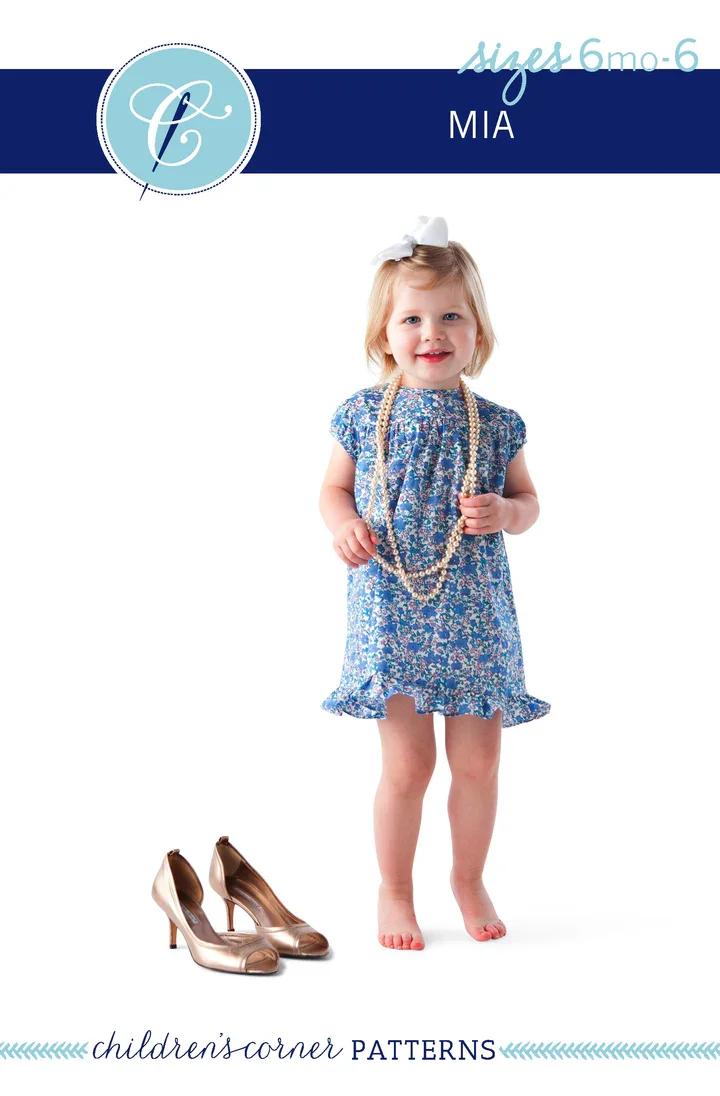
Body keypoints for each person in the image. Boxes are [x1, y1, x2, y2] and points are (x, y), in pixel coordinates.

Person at [318, 216, 550, 951]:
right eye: (413, 319)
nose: (432, 333)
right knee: (409, 764)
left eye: (452, 316)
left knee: (478, 762)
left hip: (475, 611)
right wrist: (343, 524)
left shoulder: (499, 424)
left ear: (478, 331)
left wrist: (505, 512)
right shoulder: (364, 416)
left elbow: (530, 503)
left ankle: (469, 876)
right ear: (384, 335)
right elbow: (332, 490)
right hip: (392, 605)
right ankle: (394, 890)